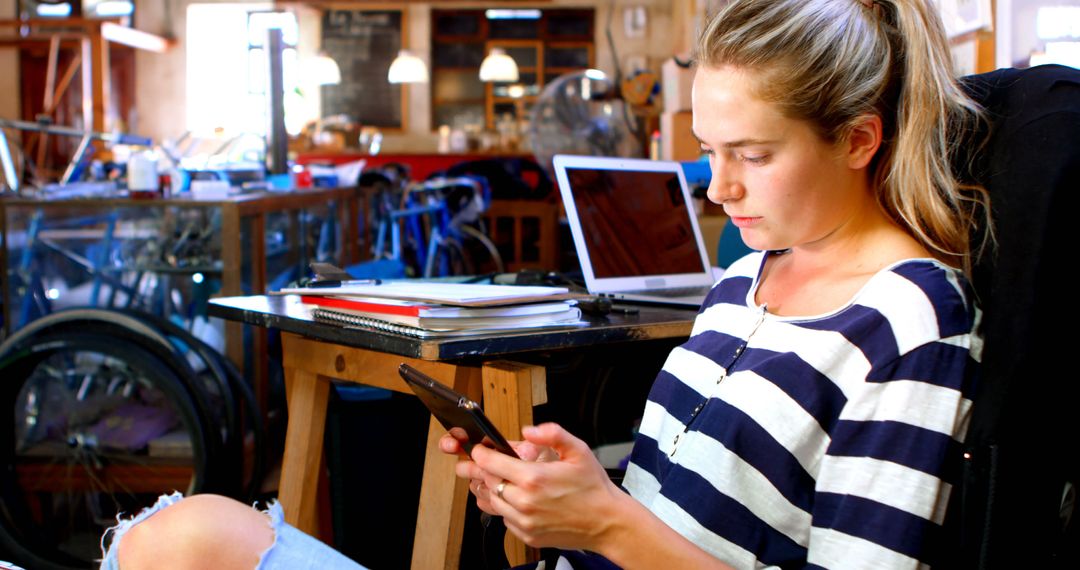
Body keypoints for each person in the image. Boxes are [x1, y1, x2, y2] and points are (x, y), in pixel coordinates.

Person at [101, 1, 988, 568]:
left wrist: (603, 525)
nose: (720, 189)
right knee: (181, 537)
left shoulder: (912, 324)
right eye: (712, 152)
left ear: (860, 141)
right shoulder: (748, 275)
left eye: (754, 156)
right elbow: (673, 493)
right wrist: (555, 482)